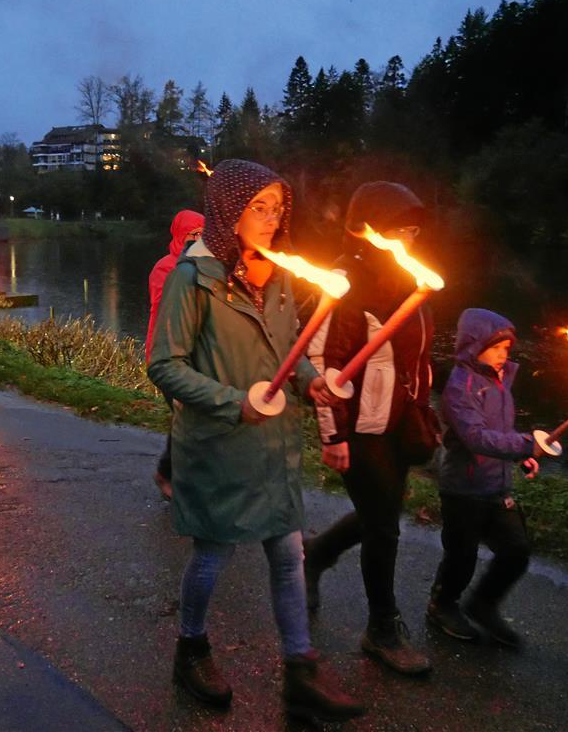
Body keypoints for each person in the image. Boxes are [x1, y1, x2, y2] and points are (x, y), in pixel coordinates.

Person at [148, 159, 365, 724]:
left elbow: (285, 360)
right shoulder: (193, 277)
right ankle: (190, 649)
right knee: (213, 554)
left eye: (276, 206)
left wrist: (311, 382)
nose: (270, 218)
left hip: (276, 448)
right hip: (220, 445)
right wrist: (233, 401)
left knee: (289, 557)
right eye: (257, 207)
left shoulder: (285, 275)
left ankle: (301, 670)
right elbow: (164, 364)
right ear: (228, 210)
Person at [302, 181, 434, 676]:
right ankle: (381, 629)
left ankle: (314, 554)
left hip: (399, 424)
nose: (409, 238)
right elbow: (322, 361)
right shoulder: (343, 281)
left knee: (381, 514)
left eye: (414, 229)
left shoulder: (413, 281)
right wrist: (332, 436)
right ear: (369, 229)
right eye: (399, 228)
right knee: (383, 525)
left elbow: (417, 358)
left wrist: (423, 408)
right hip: (358, 425)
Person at [426, 308, 546, 650]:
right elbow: (477, 437)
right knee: (461, 557)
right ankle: (442, 605)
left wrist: (523, 456)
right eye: (497, 348)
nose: (504, 355)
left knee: (516, 550)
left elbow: (500, 432)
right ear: (473, 345)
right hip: (463, 488)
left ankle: (483, 604)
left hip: (497, 485)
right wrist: (526, 443)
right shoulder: (459, 387)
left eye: (507, 348)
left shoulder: (500, 380)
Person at [145, 209, 204, 500]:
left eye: (203, 234)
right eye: (193, 234)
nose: (198, 240)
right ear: (180, 235)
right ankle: (168, 473)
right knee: (186, 414)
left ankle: (175, 473)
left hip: (193, 356)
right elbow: (167, 308)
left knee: (190, 414)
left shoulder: (205, 266)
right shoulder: (166, 268)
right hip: (165, 356)